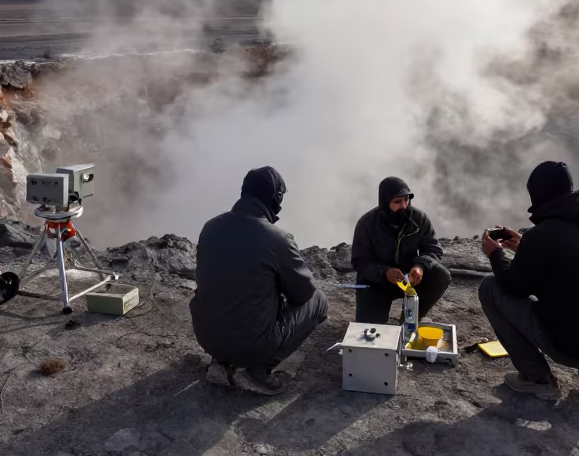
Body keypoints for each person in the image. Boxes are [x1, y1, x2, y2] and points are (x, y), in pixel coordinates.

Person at [478, 161, 579, 401]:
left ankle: (536, 379)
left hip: (572, 347)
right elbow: (564, 264)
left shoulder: (542, 236)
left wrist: (495, 255)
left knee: (490, 288)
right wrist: (524, 246)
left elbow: (514, 287)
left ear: (537, 194)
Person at [190, 166, 329, 396]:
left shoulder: (210, 226)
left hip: (206, 337)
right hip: (251, 346)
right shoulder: (277, 239)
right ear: (275, 198)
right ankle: (258, 371)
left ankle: (221, 363)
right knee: (318, 301)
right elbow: (303, 294)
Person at [350, 176, 451, 324]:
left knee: (441, 276)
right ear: (385, 203)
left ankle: (409, 319)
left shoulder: (419, 219)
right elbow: (360, 262)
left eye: (406, 200)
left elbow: (433, 249)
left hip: (409, 279)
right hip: (376, 283)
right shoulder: (367, 224)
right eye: (397, 202)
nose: (404, 206)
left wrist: (420, 266)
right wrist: (385, 272)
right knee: (372, 333)